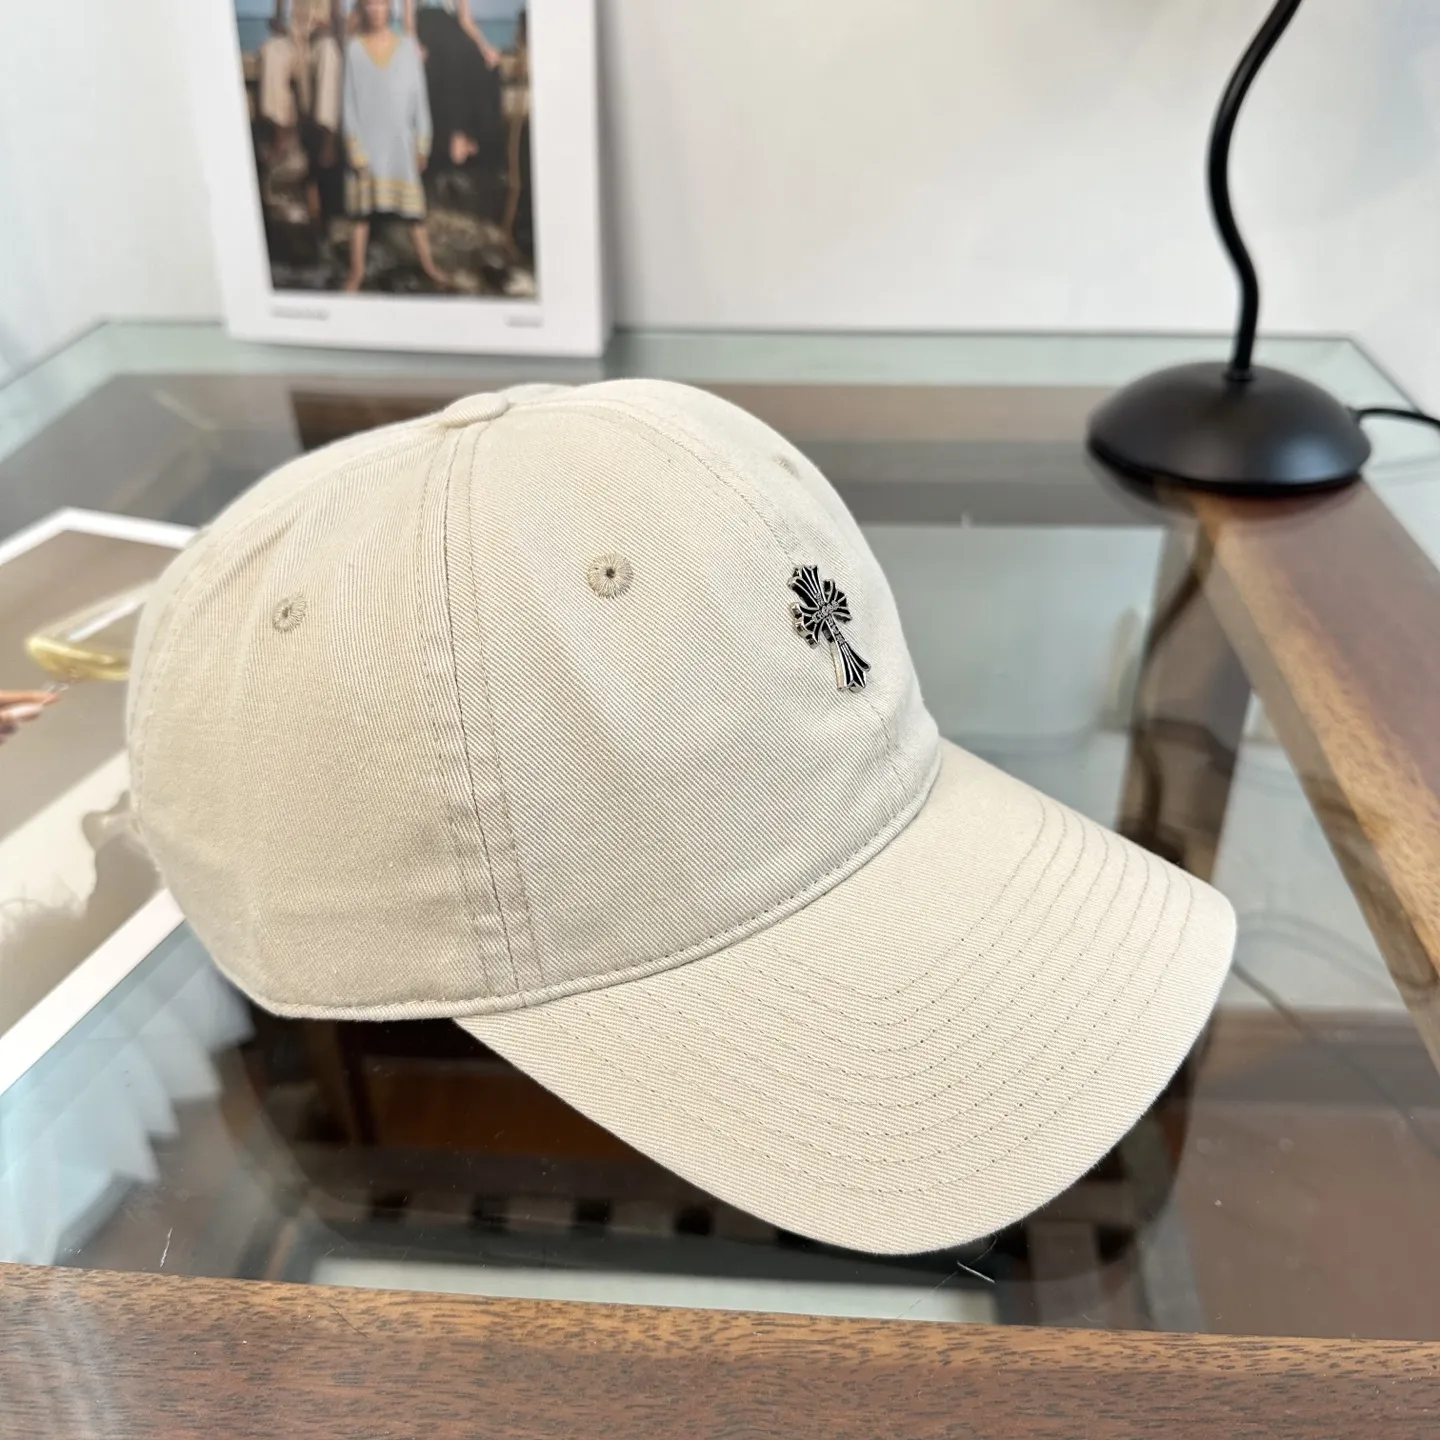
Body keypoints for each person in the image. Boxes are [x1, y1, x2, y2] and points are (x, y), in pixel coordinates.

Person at [342, 0, 449, 291]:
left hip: (401, 146)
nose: (376, 9)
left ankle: (429, 265)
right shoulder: (354, 50)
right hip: (367, 145)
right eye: (370, 4)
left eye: (381, 3)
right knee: (360, 215)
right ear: (363, 8)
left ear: (390, 7)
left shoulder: (408, 47)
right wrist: (355, 148)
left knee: (414, 213)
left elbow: (419, 99)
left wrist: (422, 143)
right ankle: (356, 271)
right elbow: (348, 106)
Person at [407, 0, 503, 174]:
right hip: (426, 29)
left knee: (483, 64)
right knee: (446, 60)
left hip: (453, 30)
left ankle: (470, 135)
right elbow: (408, 21)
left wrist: (485, 47)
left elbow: (466, 20)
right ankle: (452, 138)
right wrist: (414, 47)